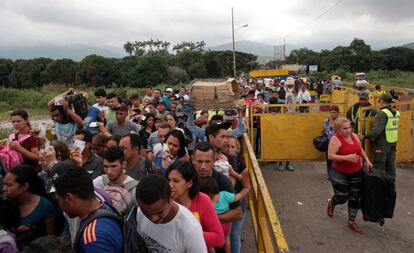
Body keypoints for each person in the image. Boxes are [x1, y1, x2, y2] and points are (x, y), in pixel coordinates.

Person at [53, 168, 123, 253]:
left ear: (69, 197)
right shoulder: (105, 207)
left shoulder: (93, 238)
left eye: (59, 200)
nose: (60, 206)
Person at [135, 175, 207, 253]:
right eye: (147, 214)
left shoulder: (190, 229)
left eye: (159, 212)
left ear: (171, 198)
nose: (153, 218)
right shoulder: (140, 212)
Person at [327, 118, 373, 234]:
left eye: (349, 127)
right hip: (340, 172)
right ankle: (332, 202)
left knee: (355, 198)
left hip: (356, 171)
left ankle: (351, 222)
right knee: (342, 197)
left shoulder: (354, 136)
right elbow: (330, 156)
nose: (348, 130)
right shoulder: (335, 139)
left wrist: (366, 159)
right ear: (338, 129)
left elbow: (360, 149)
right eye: (345, 128)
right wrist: (346, 158)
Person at [165, 160, 224, 250]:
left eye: (176, 181)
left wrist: (189, 234)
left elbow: (219, 239)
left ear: (189, 183)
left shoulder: (202, 200)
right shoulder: (164, 200)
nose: (170, 185)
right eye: (168, 180)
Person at [3, 165, 58, 247]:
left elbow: (51, 240)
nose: (4, 188)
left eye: (9, 185)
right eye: (5, 184)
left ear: (25, 186)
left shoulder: (45, 207)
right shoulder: (6, 204)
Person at [199, 177, 248, 253]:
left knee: (210, 244)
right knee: (226, 239)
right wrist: (246, 189)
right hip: (226, 224)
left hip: (214, 226)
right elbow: (236, 197)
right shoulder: (224, 194)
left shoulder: (208, 202)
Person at [361, 93, 399, 181]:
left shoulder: (382, 113)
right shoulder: (396, 112)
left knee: (379, 166)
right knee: (390, 166)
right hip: (392, 141)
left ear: (381, 101)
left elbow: (377, 131)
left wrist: (365, 136)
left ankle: (379, 187)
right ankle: (390, 185)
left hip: (382, 143)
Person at [93, 147, 138, 213]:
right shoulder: (101, 181)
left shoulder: (134, 188)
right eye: (106, 167)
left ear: (124, 164)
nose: (109, 171)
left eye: (113, 166)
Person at [323, 106, 340, 179]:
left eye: (334, 112)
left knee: (337, 159)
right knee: (329, 159)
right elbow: (324, 129)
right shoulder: (327, 120)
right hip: (329, 142)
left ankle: (337, 173)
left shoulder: (340, 121)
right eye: (331, 112)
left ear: (337, 113)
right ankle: (330, 174)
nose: (332, 114)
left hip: (338, 142)